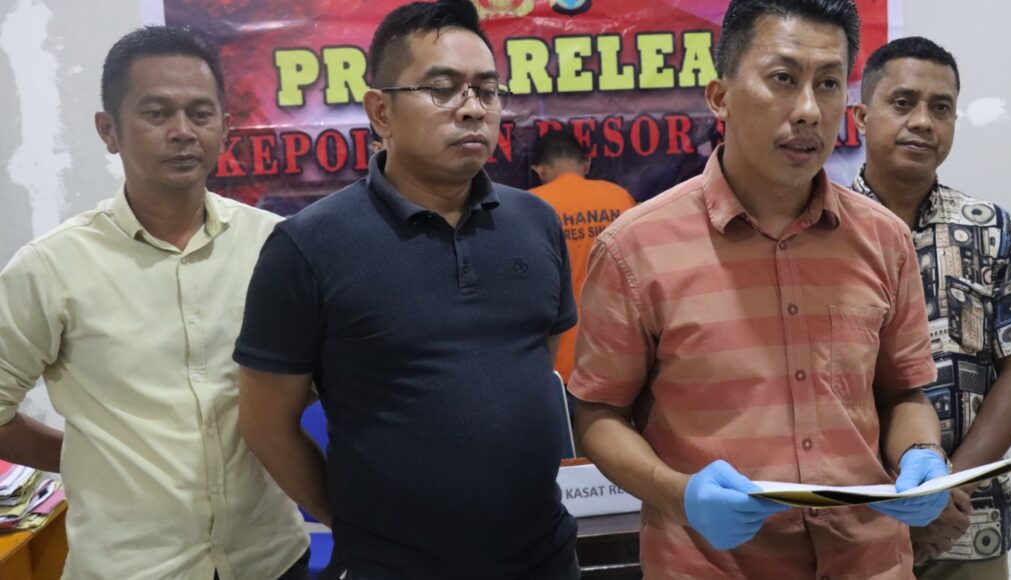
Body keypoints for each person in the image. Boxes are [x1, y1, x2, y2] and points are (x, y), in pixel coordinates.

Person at [568, 1, 952, 577]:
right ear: (720, 97)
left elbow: (903, 394)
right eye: (782, 79)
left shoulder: (884, 240)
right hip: (710, 564)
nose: (808, 110)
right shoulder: (634, 248)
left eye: (828, 84)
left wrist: (923, 453)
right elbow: (598, 416)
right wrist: (679, 494)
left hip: (867, 561)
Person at [233, 0, 579, 578]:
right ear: (381, 111)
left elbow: (536, 364)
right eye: (442, 89)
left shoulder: (535, 222)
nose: (472, 108)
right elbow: (265, 424)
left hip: (545, 561)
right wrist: (354, 523)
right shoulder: (308, 247)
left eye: (486, 90)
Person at [0, 26, 308, 580]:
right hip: (133, 569)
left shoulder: (276, 247)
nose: (183, 131)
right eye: (157, 113)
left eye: (200, 113)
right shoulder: (50, 268)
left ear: (225, 127)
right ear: (109, 130)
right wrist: (84, 458)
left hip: (271, 559)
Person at [851, 36, 1011, 580]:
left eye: (941, 108)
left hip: (967, 519)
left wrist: (944, 490)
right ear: (862, 117)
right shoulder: (824, 230)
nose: (922, 121)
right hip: (856, 522)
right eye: (903, 102)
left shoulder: (992, 230)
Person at [530, 130, 636, 385]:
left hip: (558, 359)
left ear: (540, 170)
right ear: (586, 164)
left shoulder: (531, 205)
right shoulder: (619, 197)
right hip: (620, 352)